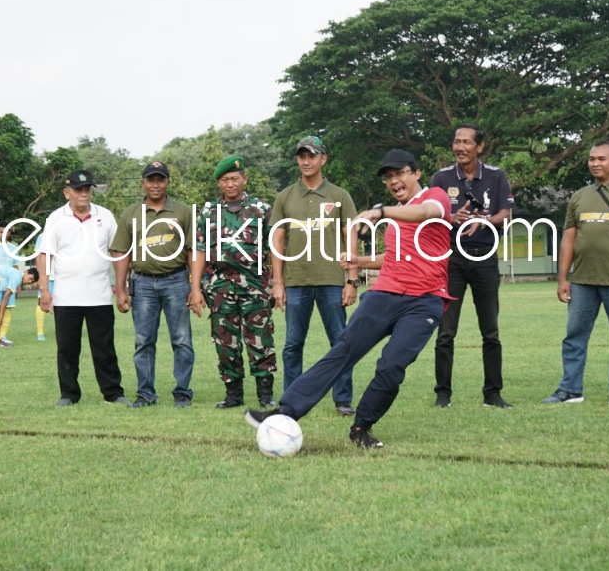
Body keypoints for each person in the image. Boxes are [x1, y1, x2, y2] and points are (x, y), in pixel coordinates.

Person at [246, 149, 453, 448]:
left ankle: (361, 427)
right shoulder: (396, 216)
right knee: (343, 350)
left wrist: (380, 212)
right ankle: (284, 412)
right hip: (384, 293)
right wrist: (360, 260)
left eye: (400, 173)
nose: (394, 181)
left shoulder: (434, 197)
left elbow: (425, 213)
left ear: (416, 173)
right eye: (388, 177)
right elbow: (395, 257)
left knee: (391, 366)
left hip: (424, 301)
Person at [543, 141, 609, 406]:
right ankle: (570, 389)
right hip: (581, 281)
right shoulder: (579, 196)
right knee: (574, 338)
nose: (595, 163)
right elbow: (568, 239)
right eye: (591, 159)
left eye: (601, 159)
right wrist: (562, 278)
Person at [270, 136, 359, 416]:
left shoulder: (340, 196)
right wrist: (278, 283)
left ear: (324, 159)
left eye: (312, 155)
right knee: (293, 344)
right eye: (301, 156)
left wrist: (351, 280)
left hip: (333, 281)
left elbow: (351, 239)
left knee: (340, 343)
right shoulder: (285, 196)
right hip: (296, 283)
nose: (306, 161)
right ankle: (292, 400)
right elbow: (277, 241)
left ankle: (342, 399)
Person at [430, 124, 515, 409]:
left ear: (479, 147)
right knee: (446, 331)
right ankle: (443, 394)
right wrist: (450, 217)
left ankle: (493, 394)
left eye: (467, 142)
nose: (460, 147)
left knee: (490, 330)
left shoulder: (496, 175)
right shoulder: (441, 178)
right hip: (450, 259)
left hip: (484, 258)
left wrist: (483, 221)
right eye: (456, 142)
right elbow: (429, 216)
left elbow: (505, 213)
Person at [189, 155, 277, 409]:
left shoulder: (261, 210)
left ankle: (265, 396)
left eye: (234, 179)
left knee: (261, 341)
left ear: (244, 179)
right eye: (225, 180)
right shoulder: (208, 212)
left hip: (255, 289)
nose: (230, 184)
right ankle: (233, 395)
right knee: (225, 342)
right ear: (219, 183)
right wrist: (195, 288)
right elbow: (199, 249)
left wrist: (278, 282)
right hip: (219, 289)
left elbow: (276, 247)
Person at [38, 169, 129, 407]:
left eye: (87, 189)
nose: (84, 194)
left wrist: (121, 288)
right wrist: (45, 290)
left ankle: (113, 393)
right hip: (66, 297)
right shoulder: (56, 218)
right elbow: (45, 255)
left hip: (99, 295)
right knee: (67, 349)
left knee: (104, 348)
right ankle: (68, 394)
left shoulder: (106, 216)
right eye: (78, 190)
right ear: (66, 193)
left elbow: (118, 253)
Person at [111, 161, 196, 408]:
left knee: (181, 340)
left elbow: (192, 250)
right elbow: (120, 252)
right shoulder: (131, 214)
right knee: (143, 341)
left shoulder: (182, 211)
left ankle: (182, 393)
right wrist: (121, 289)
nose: (155, 184)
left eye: (160, 179)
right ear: (143, 183)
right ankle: (146, 394)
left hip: (177, 281)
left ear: (167, 182)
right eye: (151, 180)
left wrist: (195, 286)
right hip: (143, 284)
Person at [33, 234, 52, 340]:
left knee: (65, 303)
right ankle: (40, 332)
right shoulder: (42, 236)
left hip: (62, 275)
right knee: (42, 302)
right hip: (46, 275)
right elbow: (39, 256)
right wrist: (39, 276)